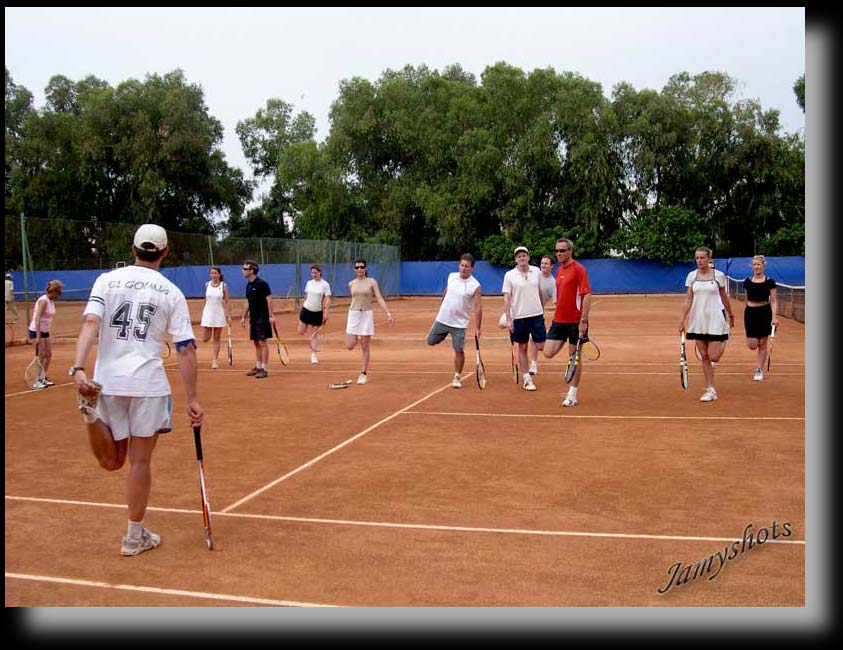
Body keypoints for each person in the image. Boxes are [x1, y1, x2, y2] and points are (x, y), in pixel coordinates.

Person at [70, 223, 203, 556]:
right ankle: (133, 537)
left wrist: (78, 367)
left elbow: (90, 323)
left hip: (108, 381)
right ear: (165, 252)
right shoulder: (171, 292)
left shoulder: (106, 280)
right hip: (148, 385)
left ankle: (89, 415)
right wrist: (192, 399)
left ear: (133, 250)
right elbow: (186, 348)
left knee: (112, 461)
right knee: (138, 463)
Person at [678, 246, 735, 402]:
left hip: (715, 318)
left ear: (709, 259)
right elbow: (688, 298)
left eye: (702, 258)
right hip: (698, 320)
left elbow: (724, 297)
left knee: (714, 356)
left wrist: (730, 314)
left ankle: (725, 336)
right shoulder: (692, 276)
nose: (699, 261)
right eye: (697, 258)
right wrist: (682, 319)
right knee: (704, 356)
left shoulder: (719, 276)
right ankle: (710, 389)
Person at [542, 238, 592, 407]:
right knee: (548, 352)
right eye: (557, 251)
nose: (559, 254)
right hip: (559, 321)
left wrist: (583, 319)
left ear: (570, 251)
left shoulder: (579, 270)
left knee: (575, 357)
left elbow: (587, 295)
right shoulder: (558, 271)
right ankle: (570, 352)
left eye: (562, 251)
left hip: (576, 322)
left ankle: (572, 394)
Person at [425, 254, 483, 388]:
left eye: (466, 266)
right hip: (443, 319)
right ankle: (444, 333)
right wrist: (443, 306)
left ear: (472, 268)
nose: (463, 269)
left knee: (458, 350)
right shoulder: (452, 276)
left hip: (459, 324)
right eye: (462, 265)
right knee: (430, 341)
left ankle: (457, 376)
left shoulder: (475, 285)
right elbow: (446, 291)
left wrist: (478, 328)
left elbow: (478, 308)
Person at [501, 246, 546, 391]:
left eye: (524, 255)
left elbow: (539, 290)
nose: (521, 258)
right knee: (522, 347)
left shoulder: (536, 271)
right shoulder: (509, 275)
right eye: (519, 256)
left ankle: (533, 343)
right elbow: (507, 298)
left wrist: (542, 307)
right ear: (515, 259)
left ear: (528, 257)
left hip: (537, 315)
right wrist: (509, 319)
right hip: (519, 317)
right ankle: (527, 378)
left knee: (541, 346)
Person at [345, 258, 394, 384]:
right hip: (354, 314)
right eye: (357, 267)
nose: (359, 269)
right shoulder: (351, 283)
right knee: (350, 345)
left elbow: (379, 297)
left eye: (362, 267)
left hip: (366, 314)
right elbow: (353, 299)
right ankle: (355, 336)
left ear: (365, 268)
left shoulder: (371, 282)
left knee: (365, 345)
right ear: (354, 269)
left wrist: (388, 313)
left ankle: (363, 373)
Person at [743, 255, 779, 381]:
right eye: (754, 264)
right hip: (750, 313)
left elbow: (773, 301)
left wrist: (774, 317)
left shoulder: (770, 282)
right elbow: (746, 300)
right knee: (752, 345)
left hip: (764, 312)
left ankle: (759, 369)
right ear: (752, 266)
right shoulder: (747, 281)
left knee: (763, 343)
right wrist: (746, 313)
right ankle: (758, 364)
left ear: (763, 265)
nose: (756, 267)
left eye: (758, 264)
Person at [240, 260, 275, 379]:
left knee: (263, 342)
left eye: (245, 269)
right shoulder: (248, 285)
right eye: (243, 269)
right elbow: (247, 302)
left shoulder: (262, 284)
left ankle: (264, 369)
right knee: (256, 342)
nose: (243, 271)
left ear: (252, 270)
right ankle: (258, 366)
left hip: (263, 317)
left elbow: (269, 299)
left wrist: (271, 315)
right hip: (253, 318)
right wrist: (243, 316)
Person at [28, 279, 63, 388]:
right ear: (54, 290)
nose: (60, 294)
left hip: (45, 331)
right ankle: (37, 380)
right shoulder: (43, 301)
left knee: (48, 354)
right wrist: (38, 336)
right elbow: (37, 318)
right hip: (36, 331)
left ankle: (42, 376)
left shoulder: (51, 301)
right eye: (59, 291)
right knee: (42, 355)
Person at [528, 254, 557, 376]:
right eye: (542, 263)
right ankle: (533, 365)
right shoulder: (534, 274)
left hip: (536, 314)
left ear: (552, 266)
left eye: (546, 263)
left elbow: (556, 303)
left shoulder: (553, 283)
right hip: (521, 310)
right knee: (502, 323)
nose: (543, 265)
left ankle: (533, 364)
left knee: (540, 345)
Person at [298, 264, 331, 364]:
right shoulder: (309, 283)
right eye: (312, 273)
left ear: (320, 272)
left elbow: (327, 299)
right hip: (306, 310)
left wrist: (326, 312)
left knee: (314, 335)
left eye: (316, 272)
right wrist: (302, 308)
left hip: (317, 312)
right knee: (301, 331)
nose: (314, 274)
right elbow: (306, 295)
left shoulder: (325, 285)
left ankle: (313, 355)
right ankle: (306, 324)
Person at [200, 266, 231, 369]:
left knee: (217, 338)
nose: (213, 275)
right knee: (205, 338)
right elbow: (206, 299)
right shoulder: (206, 284)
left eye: (215, 273)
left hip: (219, 314)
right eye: (212, 273)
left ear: (219, 274)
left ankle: (215, 360)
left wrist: (228, 316)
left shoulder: (224, 286)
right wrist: (203, 312)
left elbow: (226, 302)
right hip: (208, 314)